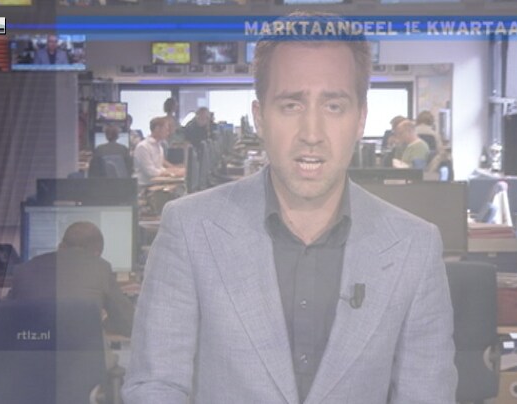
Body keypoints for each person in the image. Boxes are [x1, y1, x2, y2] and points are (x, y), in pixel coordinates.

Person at [123, 12, 456, 404]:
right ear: (260, 118)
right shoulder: (189, 228)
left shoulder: (415, 246)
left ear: (360, 119)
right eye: (291, 105)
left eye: (334, 106)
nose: (311, 134)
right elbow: (156, 386)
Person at [9, 221, 134, 338]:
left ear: (60, 246)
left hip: (32, 350)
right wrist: (103, 323)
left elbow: (5, 318)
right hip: (81, 353)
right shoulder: (101, 268)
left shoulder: (24, 269)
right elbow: (129, 324)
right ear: (97, 254)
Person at [133, 117, 185, 186]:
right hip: (144, 186)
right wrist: (172, 173)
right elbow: (151, 172)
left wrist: (174, 170)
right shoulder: (143, 147)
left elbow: (159, 168)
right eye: (166, 129)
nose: (168, 133)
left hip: (156, 183)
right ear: (157, 129)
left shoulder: (159, 147)